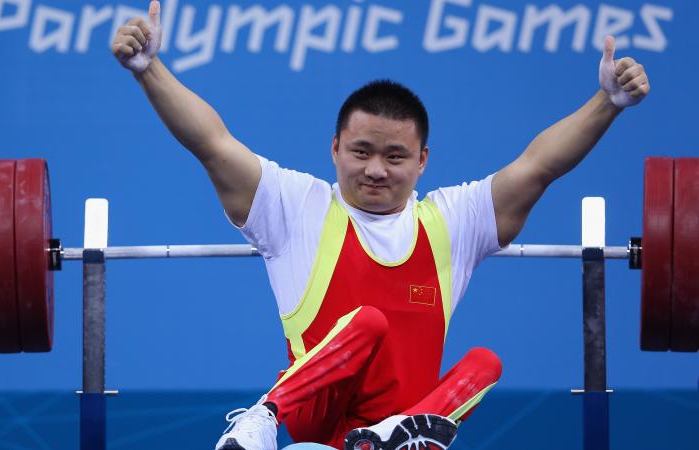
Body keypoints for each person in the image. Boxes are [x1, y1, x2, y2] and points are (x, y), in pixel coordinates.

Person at [111, 2, 650, 450]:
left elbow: (538, 166)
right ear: (335, 149)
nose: (375, 169)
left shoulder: (452, 221)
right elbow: (212, 142)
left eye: (395, 156)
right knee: (367, 321)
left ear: (422, 162)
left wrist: (608, 102)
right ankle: (263, 419)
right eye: (361, 151)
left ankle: (401, 433)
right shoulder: (296, 206)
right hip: (312, 435)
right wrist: (148, 69)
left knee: (485, 363)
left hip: (401, 437)